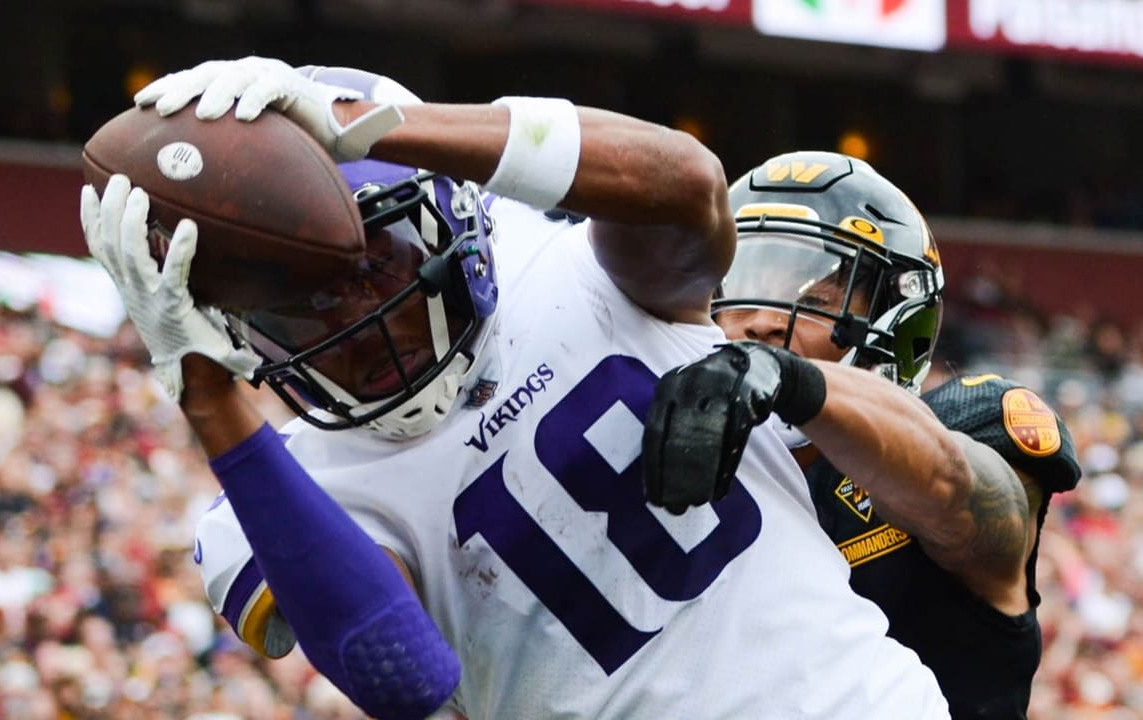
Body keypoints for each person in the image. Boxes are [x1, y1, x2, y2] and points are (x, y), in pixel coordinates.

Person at [83, 58, 949, 719]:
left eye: (378, 271)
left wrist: (375, 126)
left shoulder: (576, 270)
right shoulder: (272, 504)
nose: (357, 319)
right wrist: (207, 398)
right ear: (230, 334)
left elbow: (688, 184)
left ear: (450, 221)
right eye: (302, 309)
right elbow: (401, 672)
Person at [644, 150, 1081, 719]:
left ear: (895, 321)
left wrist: (796, 383)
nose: (760, 319)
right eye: (742, 286)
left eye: (815, 299)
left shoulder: (961, 429)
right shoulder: (678, 451)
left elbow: (964, 498)